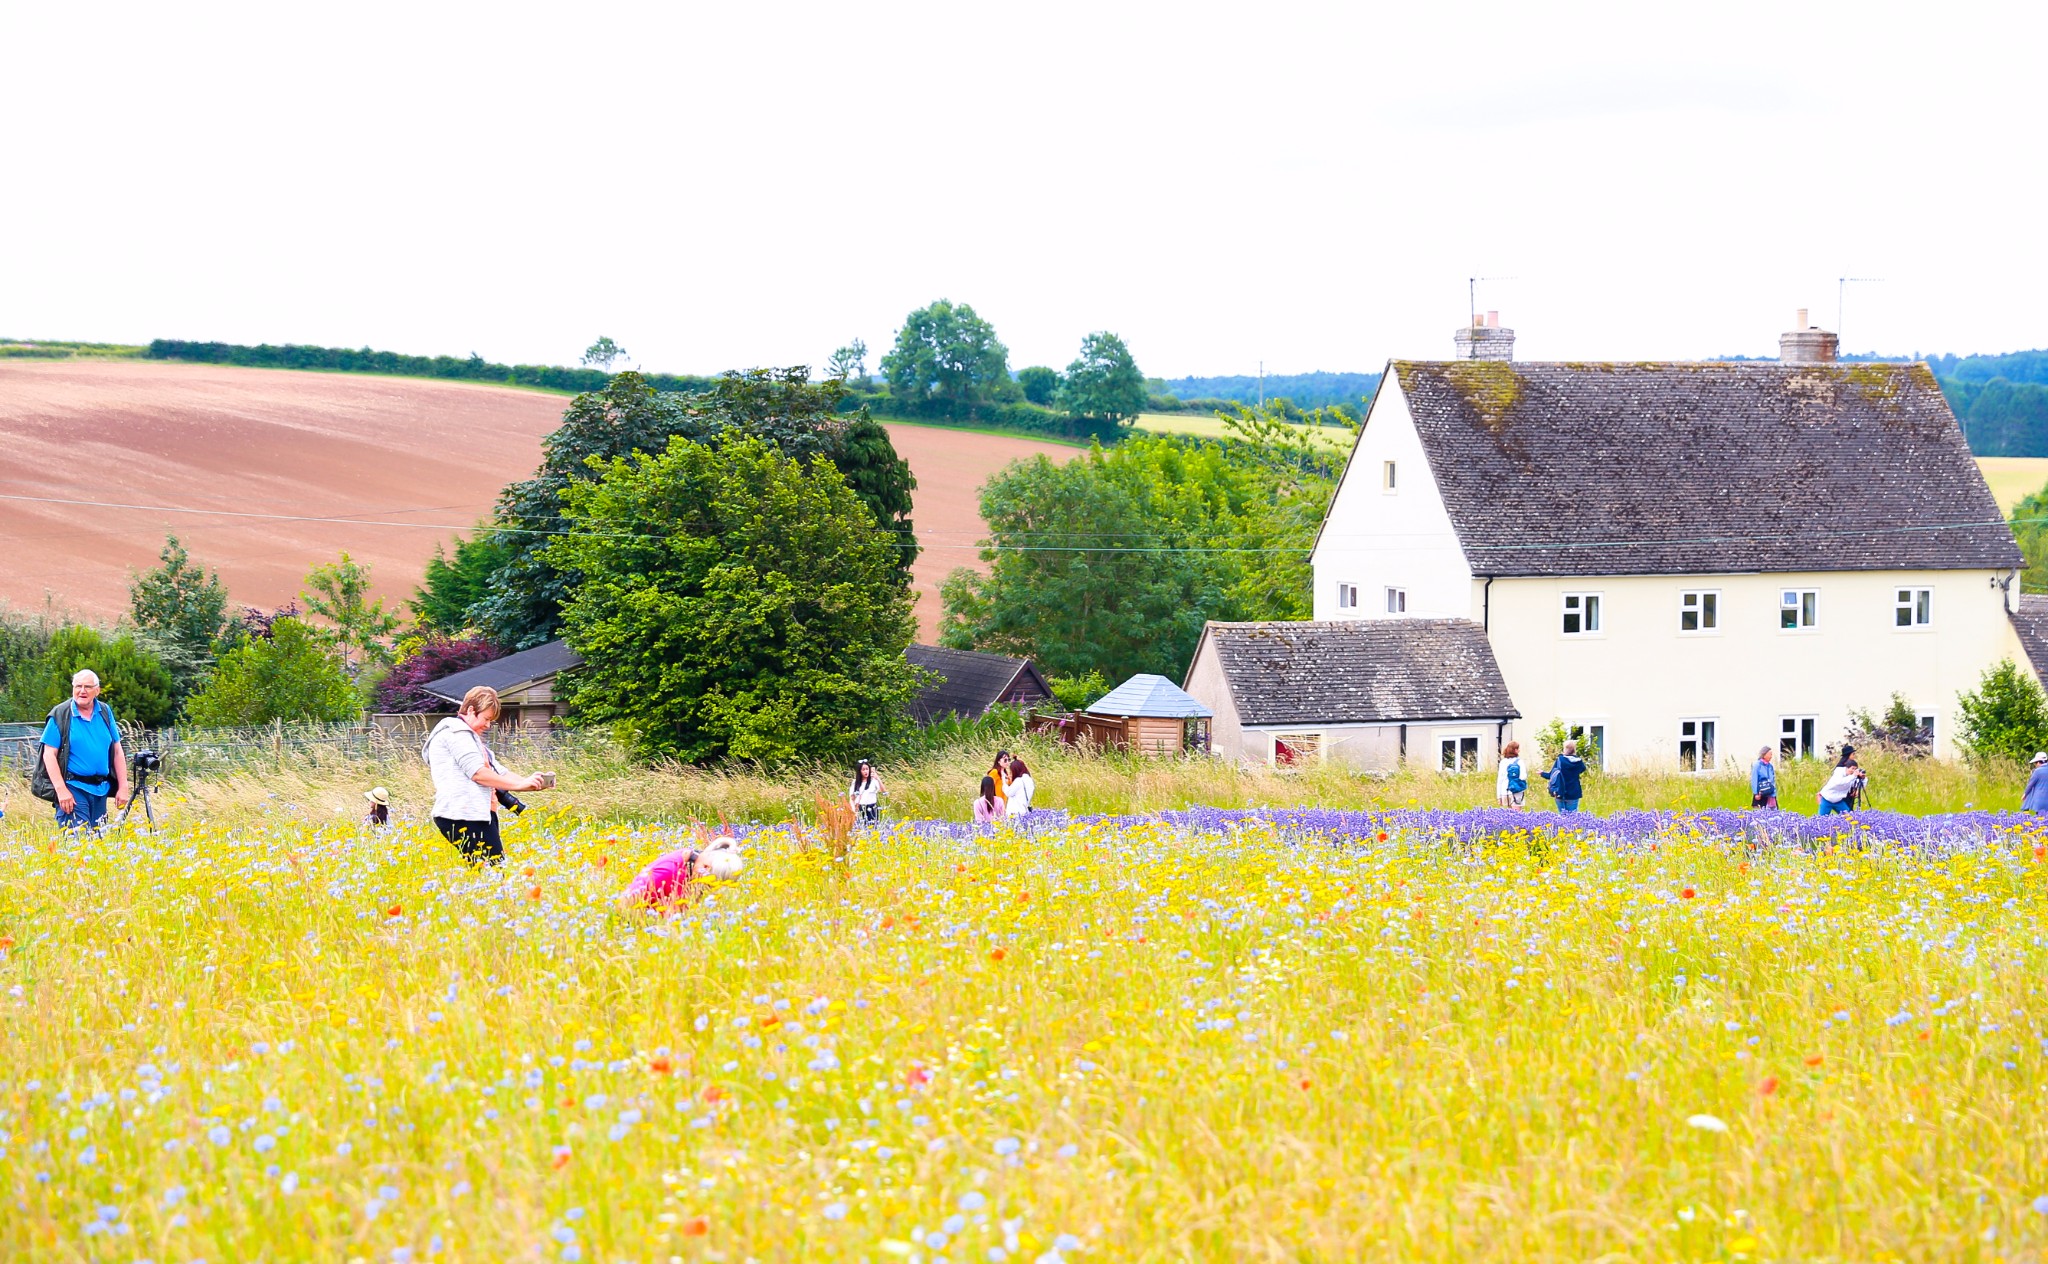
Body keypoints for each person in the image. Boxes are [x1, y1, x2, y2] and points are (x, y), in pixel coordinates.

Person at [422, 685, 553, 864]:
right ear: (470, 710)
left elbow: (499, 772)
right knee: (494, 872)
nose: (488, 725)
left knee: (485, 872)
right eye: (486, 718)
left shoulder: (470, 739)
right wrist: (519, 786)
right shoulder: (456, 734)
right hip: (462, 815)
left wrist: (531, 782)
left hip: (476, 814)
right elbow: (478, 774)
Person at [40, 669, 130, 830]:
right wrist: (61, 791)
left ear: (97, 690)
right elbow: (49, 755)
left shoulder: (104, 711)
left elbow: (117, 750)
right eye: (78, 686)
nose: (82, 691)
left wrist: (123, 786)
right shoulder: (60, 714)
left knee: (97, 843)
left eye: (87, 687)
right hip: (73, 789)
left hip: (100, 789)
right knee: (78, 842)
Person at [617, 831, 743, 910]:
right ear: (705, 867)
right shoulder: (665, 872)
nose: (710, 889)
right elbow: (623, 905)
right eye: (711, 884)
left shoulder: (694, 865)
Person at [1817, 747, 1866, 816]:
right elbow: (1839, 782)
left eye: (1855, 769)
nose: (1853, 770)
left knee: (1849, 817)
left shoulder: (1852, 773)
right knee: (1822, 818)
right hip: (1828, 798)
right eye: (1853, 754)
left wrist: (1862, 778)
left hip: (1839, 799)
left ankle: (1849, 827)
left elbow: (1858, 784)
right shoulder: (1839, 770)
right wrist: (1853, 776)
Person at [1545, 740, 1588, 814]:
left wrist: (1542, 773)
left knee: (1562, 816)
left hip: (1560, 791)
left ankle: (1563, 826)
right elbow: (1583, 769)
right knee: (1573, 817)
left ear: (1564, 749)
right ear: (1574, 749)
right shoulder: (1579, 761)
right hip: (1574, 792)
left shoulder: (1560, 760)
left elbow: (1551, 775)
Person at [848, 758, 883, 825]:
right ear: (859, 771)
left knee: (873, 829)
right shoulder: (855, 783)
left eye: (867, 769)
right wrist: (854, 811)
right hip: (860, 808)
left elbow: (883, 791)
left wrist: (877, 778)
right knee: (861, 830)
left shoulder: (873, 781)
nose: (865, 771)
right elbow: (852, 798)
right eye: (863, 769)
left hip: (872, 808)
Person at [1494, 740, 1527, 809]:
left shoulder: (1503, 762)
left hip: (1504, 791)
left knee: (1509, 816)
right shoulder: (1520, 762)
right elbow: (1523, 777)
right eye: (1518, 749)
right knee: (1517, 815)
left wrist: (1498, 796)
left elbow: (1500, 780)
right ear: (1515, 750)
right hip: (1516, 790)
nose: (1519, 750)